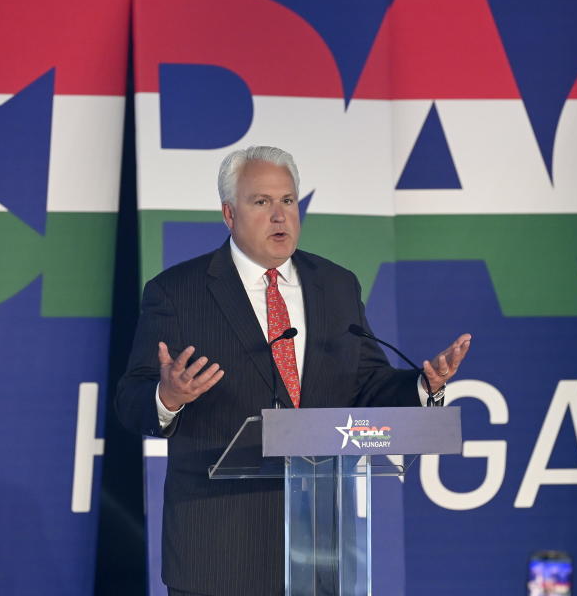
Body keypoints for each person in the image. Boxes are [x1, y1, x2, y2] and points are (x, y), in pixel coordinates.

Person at [116, 145, 471, 596]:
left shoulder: (336, 285)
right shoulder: (178, 292)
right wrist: (168, 396)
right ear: (229, 214)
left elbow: (368, 385)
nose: (279, 215)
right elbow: (132, 401)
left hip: (318, 548)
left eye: (288, 200)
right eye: (261, 202)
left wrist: (423, 387)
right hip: (218, 552)